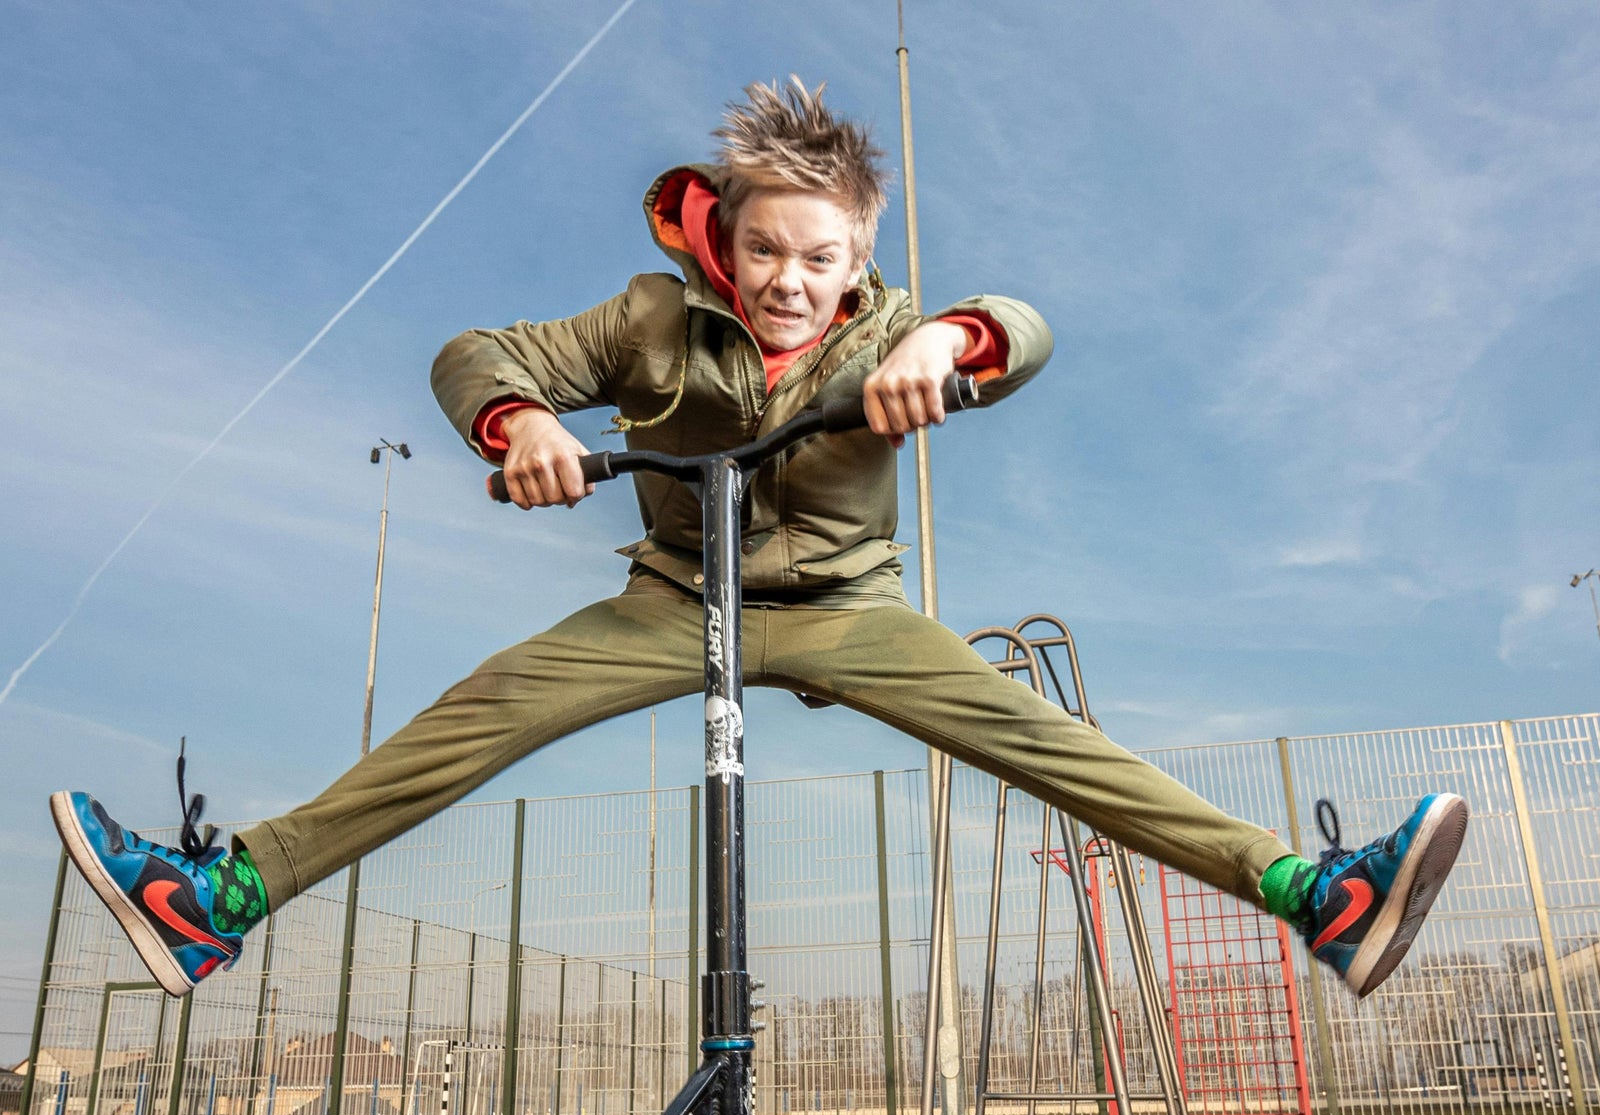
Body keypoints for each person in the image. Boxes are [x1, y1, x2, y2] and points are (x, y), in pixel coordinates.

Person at [51, 79, 1466, 1014]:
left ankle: (1313, 898)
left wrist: (943, 343)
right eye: (768, 250)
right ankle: (215, 898)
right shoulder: (649, 320)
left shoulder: (885, 322)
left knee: (1042, 740)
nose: (792, 282)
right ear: (726, 236)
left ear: (860, 259)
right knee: (468, 717)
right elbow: (475, 351)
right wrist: (519, 430)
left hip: (845, 608)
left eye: (823, 259)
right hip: (675, 598)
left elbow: (1019, 329)